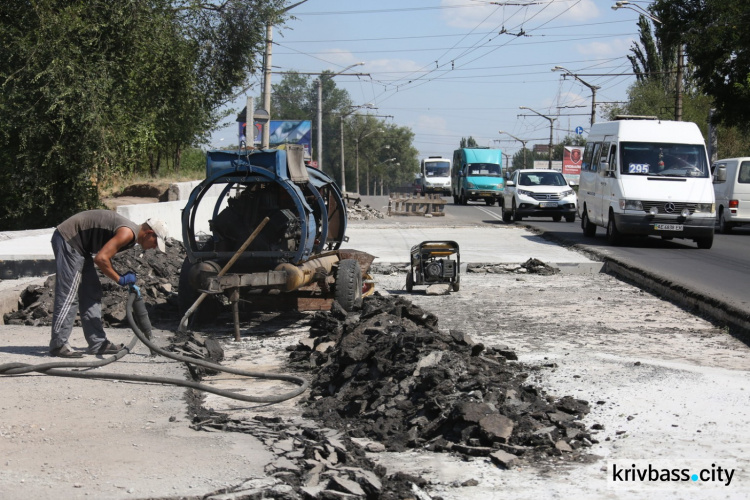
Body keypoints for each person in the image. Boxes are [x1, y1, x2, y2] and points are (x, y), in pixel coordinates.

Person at [49, 210, 169, 358]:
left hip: (82, 248)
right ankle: (58, 345)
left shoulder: (130, 236)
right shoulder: (128, 233)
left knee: (91, 293)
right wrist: (120, 279)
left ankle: (98, 343)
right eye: (156, 242)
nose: (155, 247)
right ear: (149, 233)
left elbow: (106, 256)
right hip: (68, 240)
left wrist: (120, 275)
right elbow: (101, 259)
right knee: (69, 295)